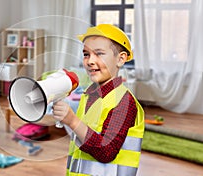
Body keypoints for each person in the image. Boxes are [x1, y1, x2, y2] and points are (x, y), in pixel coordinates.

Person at [52, 24, 145, 176]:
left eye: (99, 54)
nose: (90, 61)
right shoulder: (89, 95)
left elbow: (106, 152)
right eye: (86, 54)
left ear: (121, 59)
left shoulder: (124, 102)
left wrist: (72, 121)